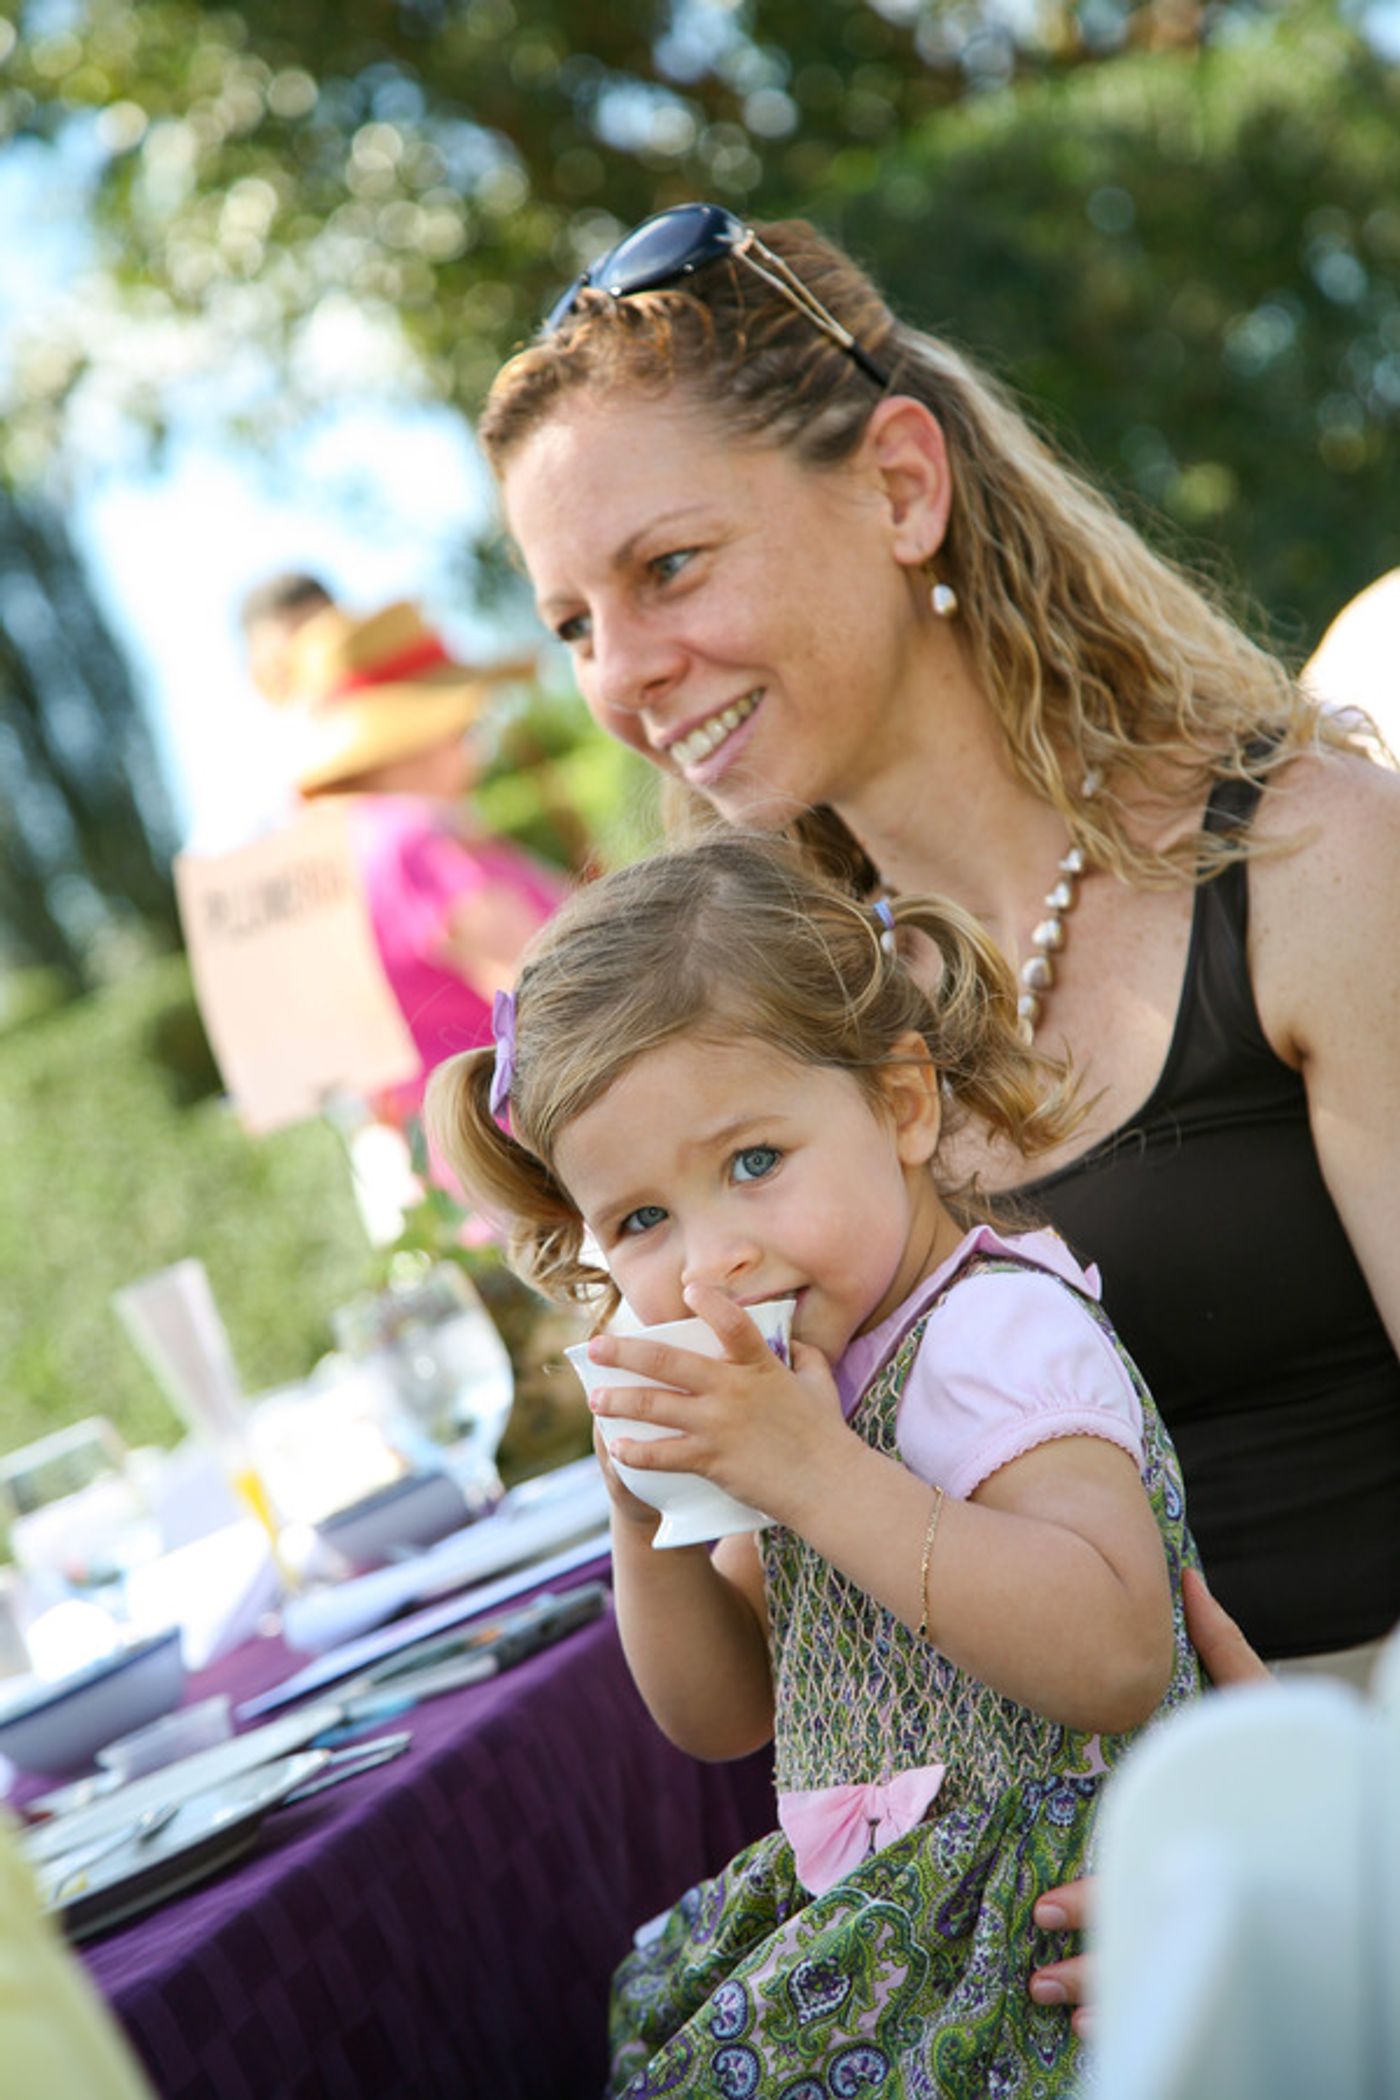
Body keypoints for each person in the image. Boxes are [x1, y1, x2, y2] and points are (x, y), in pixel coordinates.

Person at [476, 204, 1400, 1688]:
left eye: (670, 568)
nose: (625, 676)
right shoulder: (768, 1026)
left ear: (902, 486)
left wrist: (1329, 1852)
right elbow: (796, 1642)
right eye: (573, 623)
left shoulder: (1315, 861)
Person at [427, 832, 1205, 2095]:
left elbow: (1114, 1651)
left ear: (900, 1103)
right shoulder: (800, 1381)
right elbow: (727, 1712)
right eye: (640, 1220)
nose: (708, 1260)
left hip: (1050, 1935)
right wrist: (643, 1515)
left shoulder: (985, 1333)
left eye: (751, 1164)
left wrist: (813, 1474)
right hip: (904, 1921)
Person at [271, 596, 567, 1131]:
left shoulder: (334, 855)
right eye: (464, 727)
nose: (476, 746)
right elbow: (553, 991)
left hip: (459, 1155)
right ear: (415, 734)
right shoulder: (417, 842)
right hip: (538, 1142)